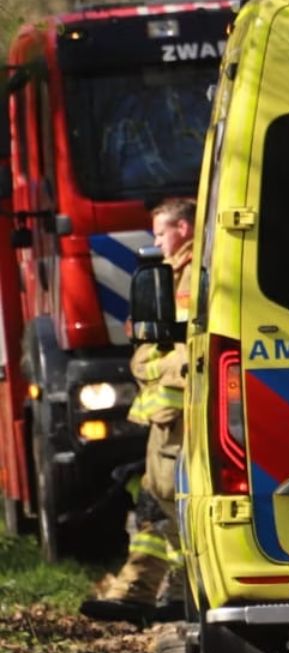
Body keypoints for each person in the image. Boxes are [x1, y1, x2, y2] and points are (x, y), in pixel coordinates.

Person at [82, 197, 194, 626]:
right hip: (165, 422)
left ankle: (166, 593)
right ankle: (139, 592)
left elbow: (189, 353)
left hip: (182, 419)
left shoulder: (191, 277)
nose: (156, 240)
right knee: (154, 505)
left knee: (170, 505)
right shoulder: (172, 274)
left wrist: (155, 363)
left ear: (182, 228)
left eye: (162, 231)